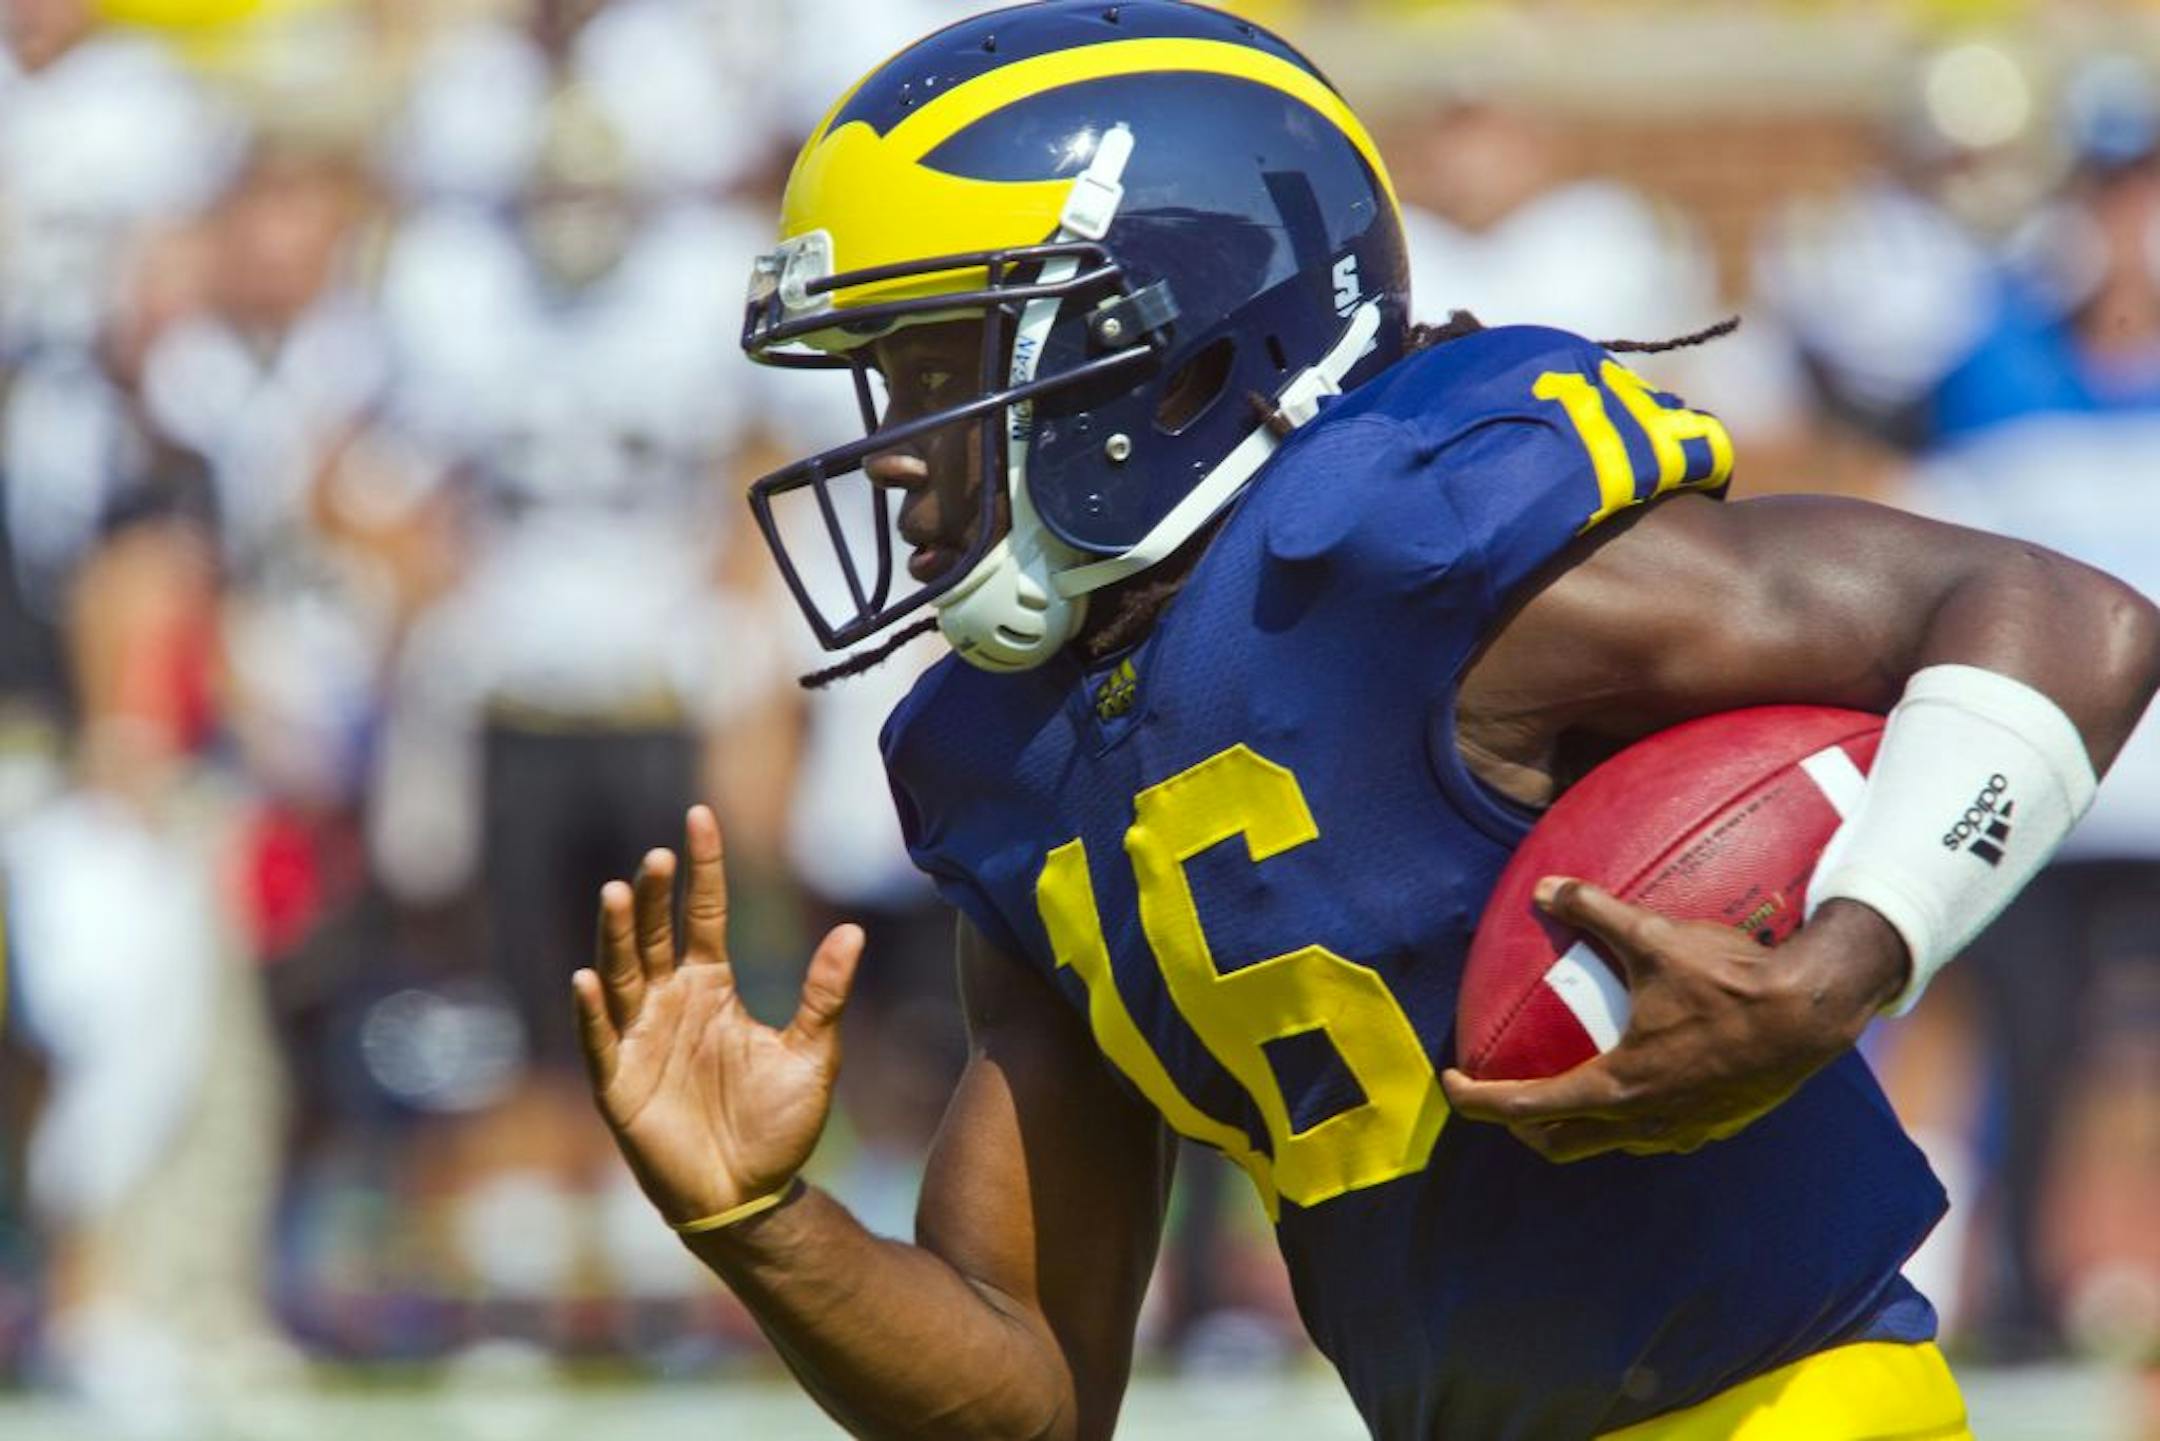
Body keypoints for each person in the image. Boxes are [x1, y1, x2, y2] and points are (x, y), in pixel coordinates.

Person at [573, 5, 2160, 1437]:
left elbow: (2068, 619)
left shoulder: (1404, 544)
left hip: (1793, 1405)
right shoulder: (1008, 758)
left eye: (939, 370)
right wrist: (761, 1220)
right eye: (882, 386)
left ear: (1169, 345)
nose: (899, 454)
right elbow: (1035, 1393)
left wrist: (1849, 958)